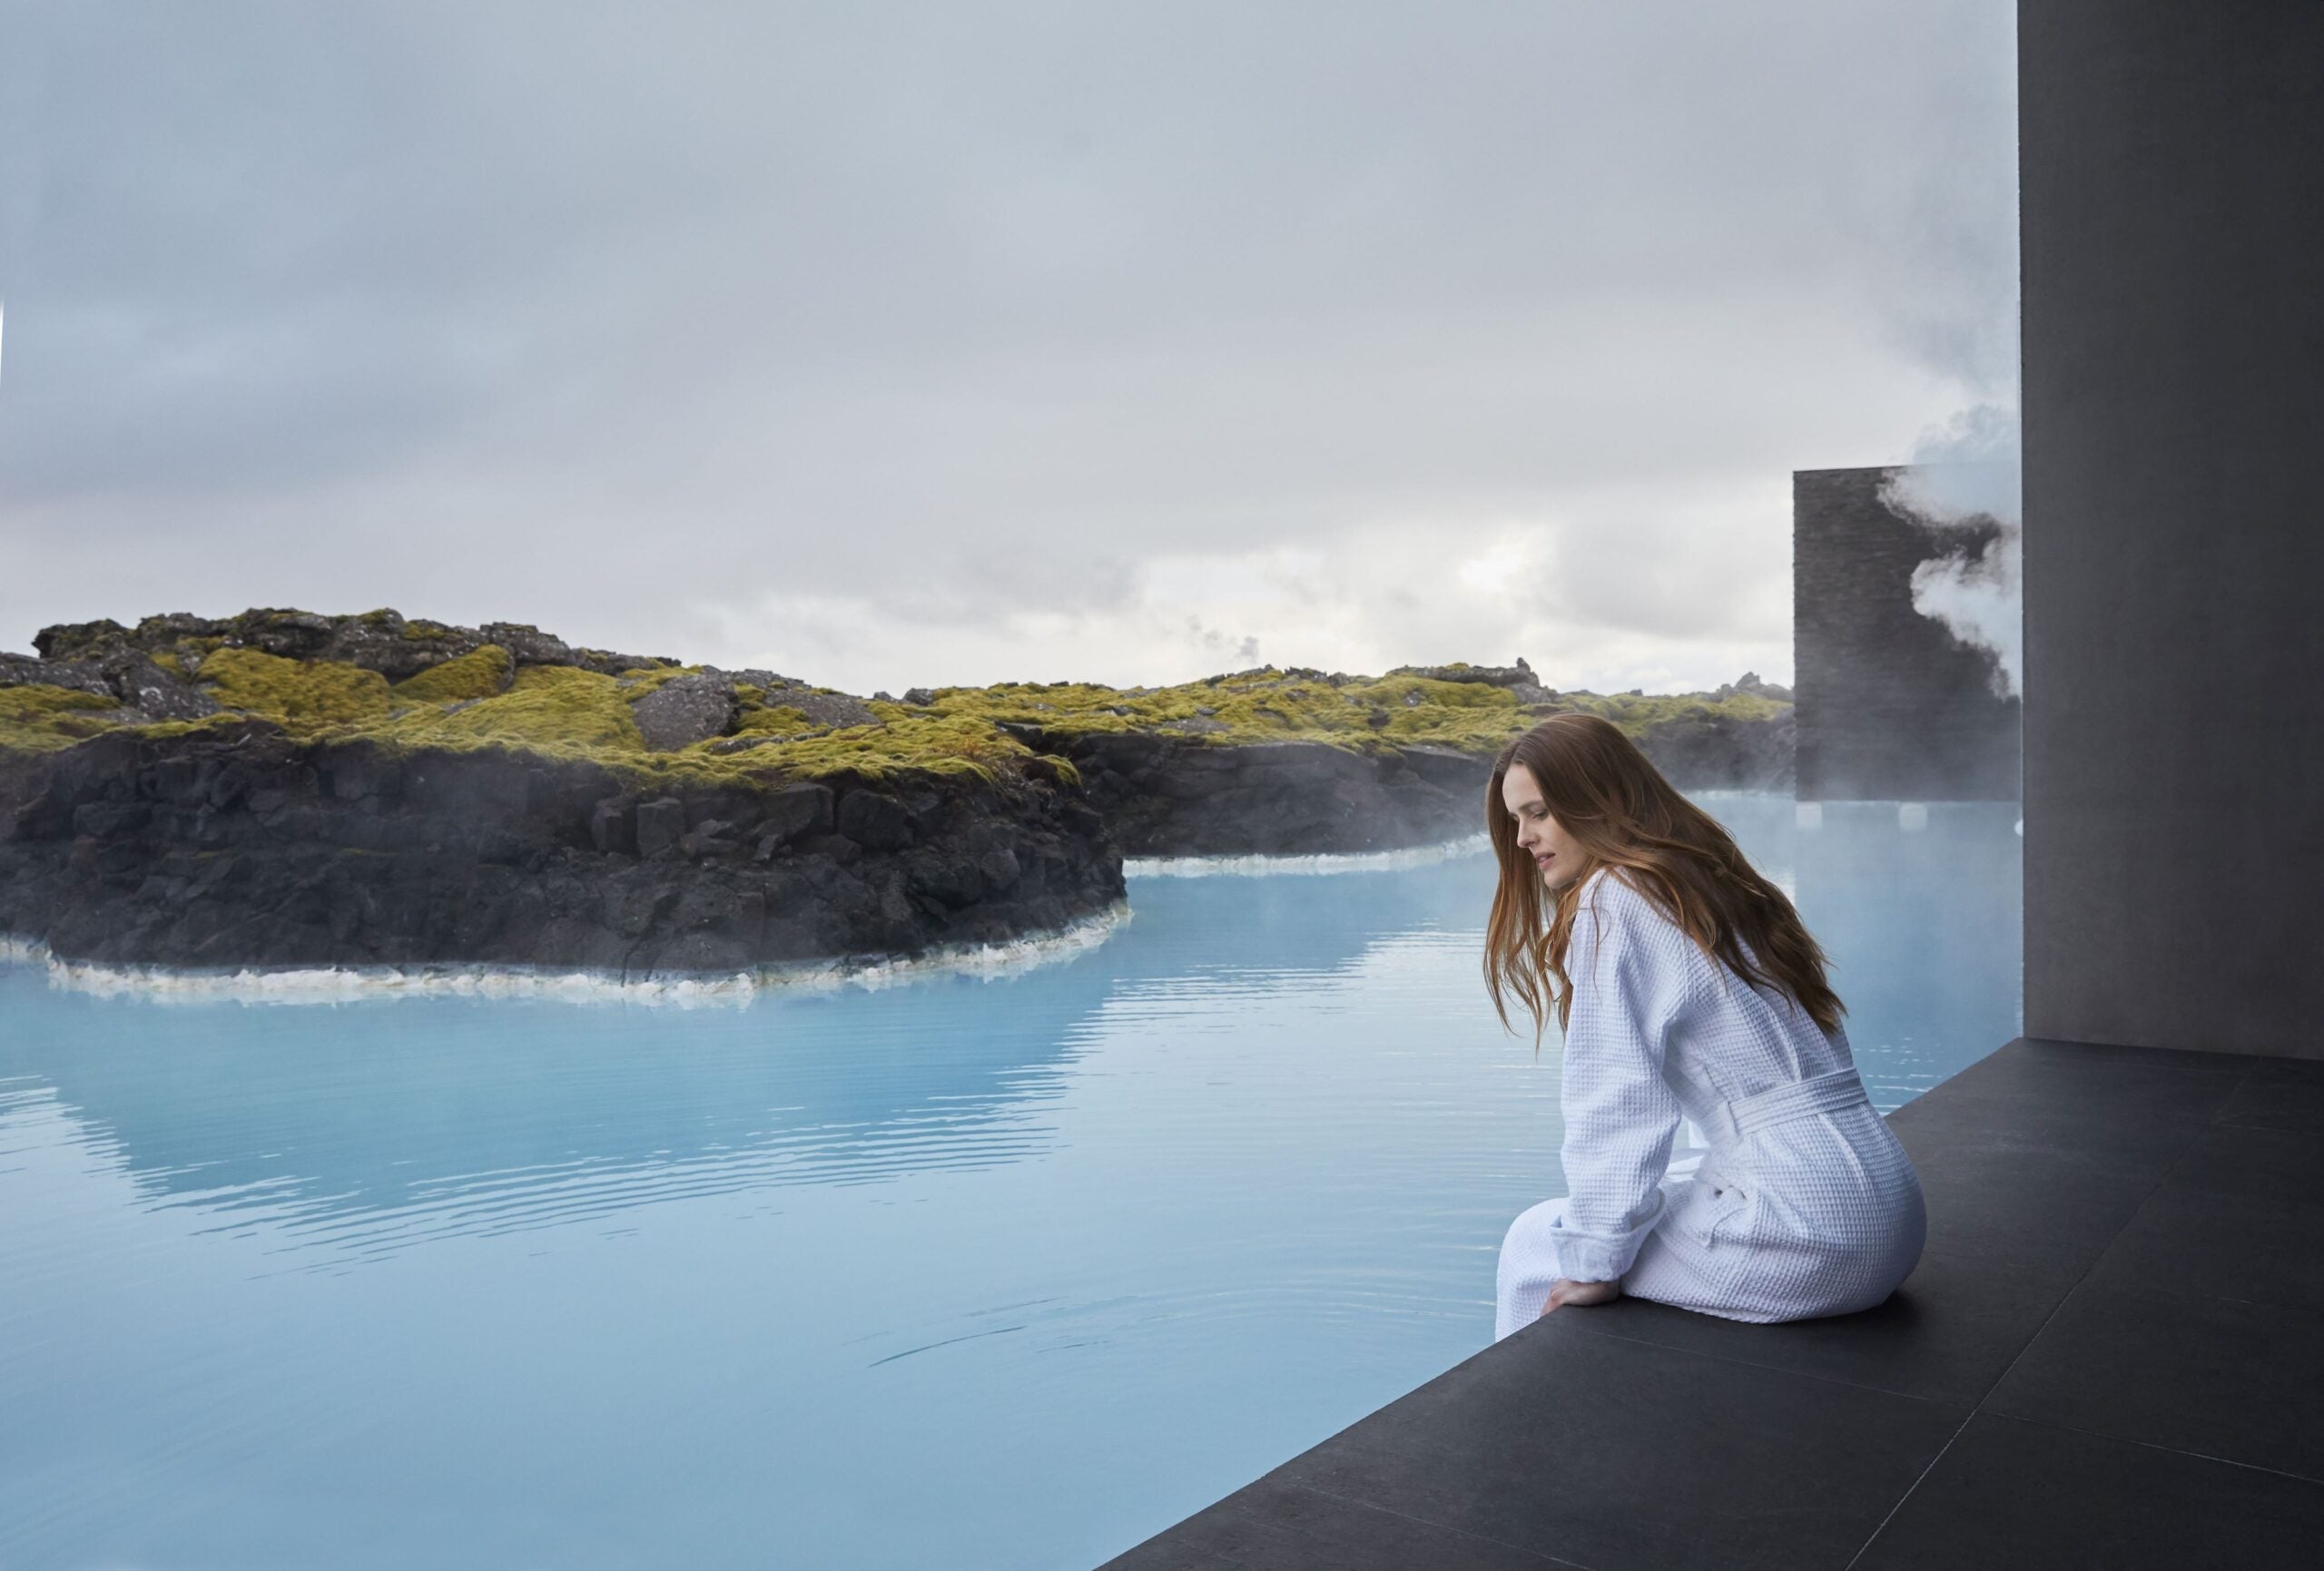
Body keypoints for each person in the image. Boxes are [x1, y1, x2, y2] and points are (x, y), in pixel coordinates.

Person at [1483, 713, 1925, 1340]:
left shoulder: (1615, 898)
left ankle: (1520, 1435)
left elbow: (1618, 1102)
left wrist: (1594, 1264)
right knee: (1653, 1192)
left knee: (1535, 1242)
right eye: (1516, 819)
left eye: (1538, 812)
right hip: (1893, 1209)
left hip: (1812, 1233)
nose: (1523, 837)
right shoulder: (1710, 881)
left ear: (1597, 800)